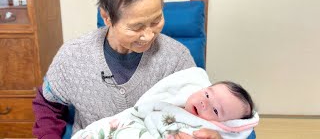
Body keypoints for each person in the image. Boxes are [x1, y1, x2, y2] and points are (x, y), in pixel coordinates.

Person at [32, 0, 222, 139]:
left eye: (156, 21)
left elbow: (202, 113)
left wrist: (211, 133)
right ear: (106, 17)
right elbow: (48, 104)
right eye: (136, 27)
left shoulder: (177, 59)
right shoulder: (73, 57)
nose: (148, 35)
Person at [71, 78, 258, 139]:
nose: (204, 103)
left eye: (215, 111)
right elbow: (138, 113)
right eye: (207, 95)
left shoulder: (203, 132)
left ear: (225, 125)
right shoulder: (170, 101)